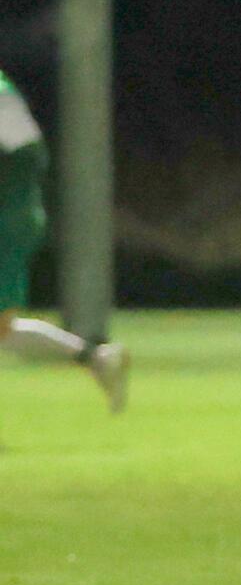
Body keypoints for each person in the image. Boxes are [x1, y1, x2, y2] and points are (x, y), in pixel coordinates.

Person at [0, 68, 128, 413]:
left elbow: (25, 156)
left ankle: (95, 358)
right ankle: (96, 358)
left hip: (7, 221)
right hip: (14, 217)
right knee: (2, 329)